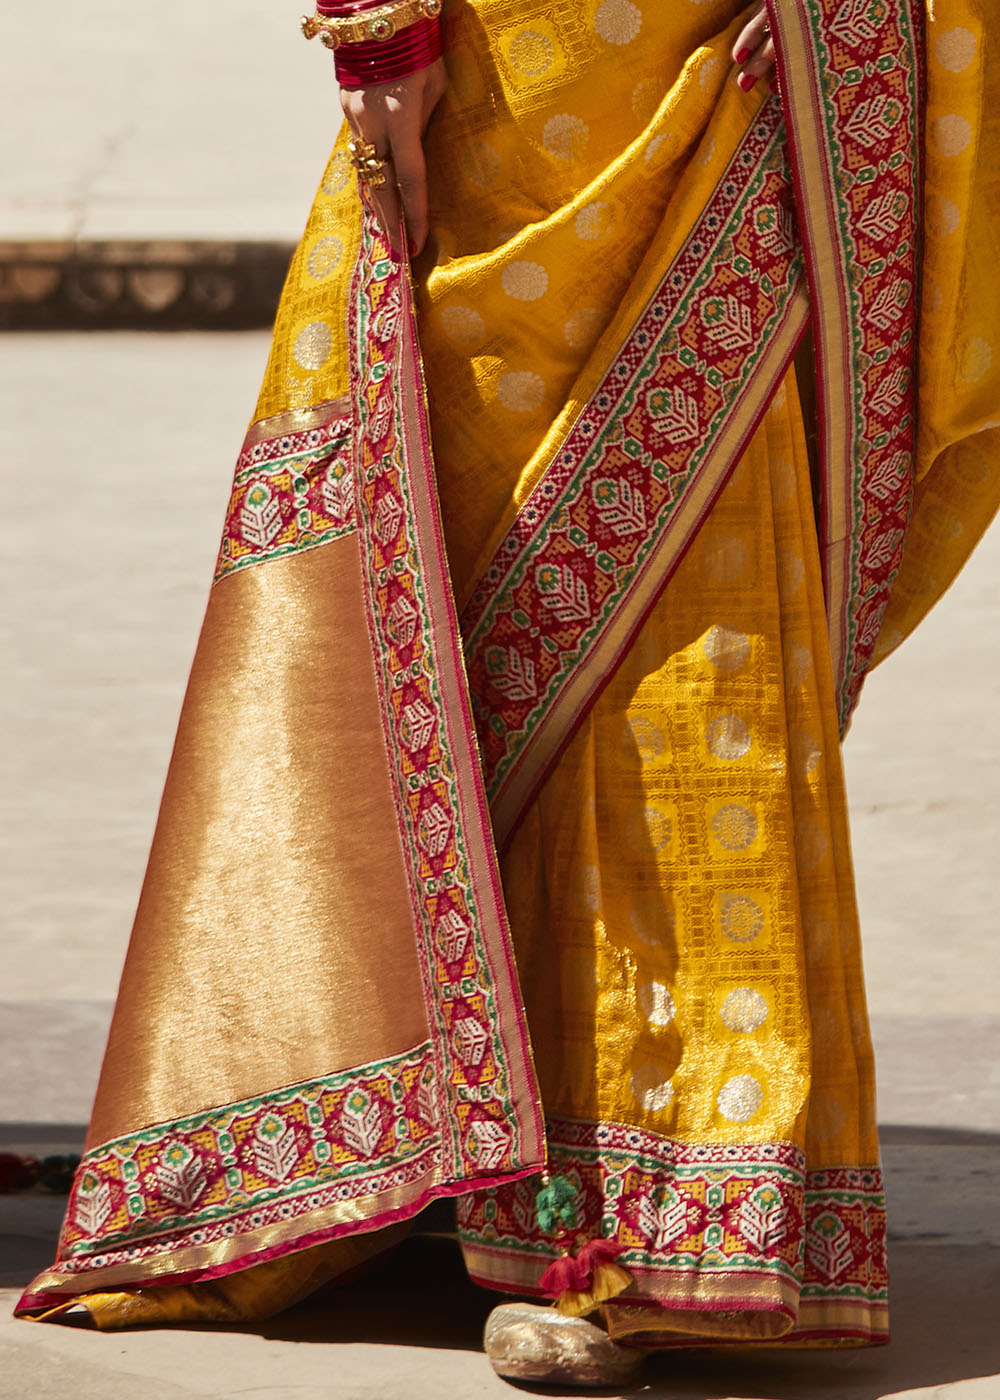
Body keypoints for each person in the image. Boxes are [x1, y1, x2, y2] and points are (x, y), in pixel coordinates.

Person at [17, 0, 1000, 1386]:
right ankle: (447, 1152)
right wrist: (385, 37)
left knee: (689, 636)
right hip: (520, 93)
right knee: (445, 577)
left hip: (730, 91)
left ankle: (656, 1221)